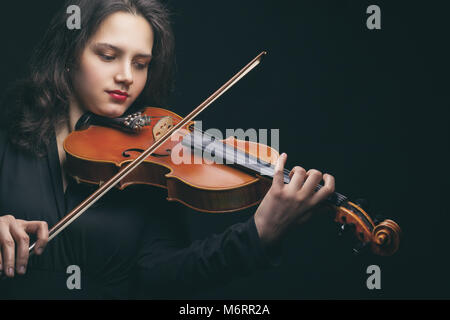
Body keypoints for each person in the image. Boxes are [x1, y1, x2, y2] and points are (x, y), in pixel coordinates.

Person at [0, 0, 335, 299]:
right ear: (69, 54)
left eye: (141, 63)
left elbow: (165, 278)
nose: (127, 76)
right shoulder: (7, 141)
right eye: (107, 56)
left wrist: (259, 234)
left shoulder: (150, 169)